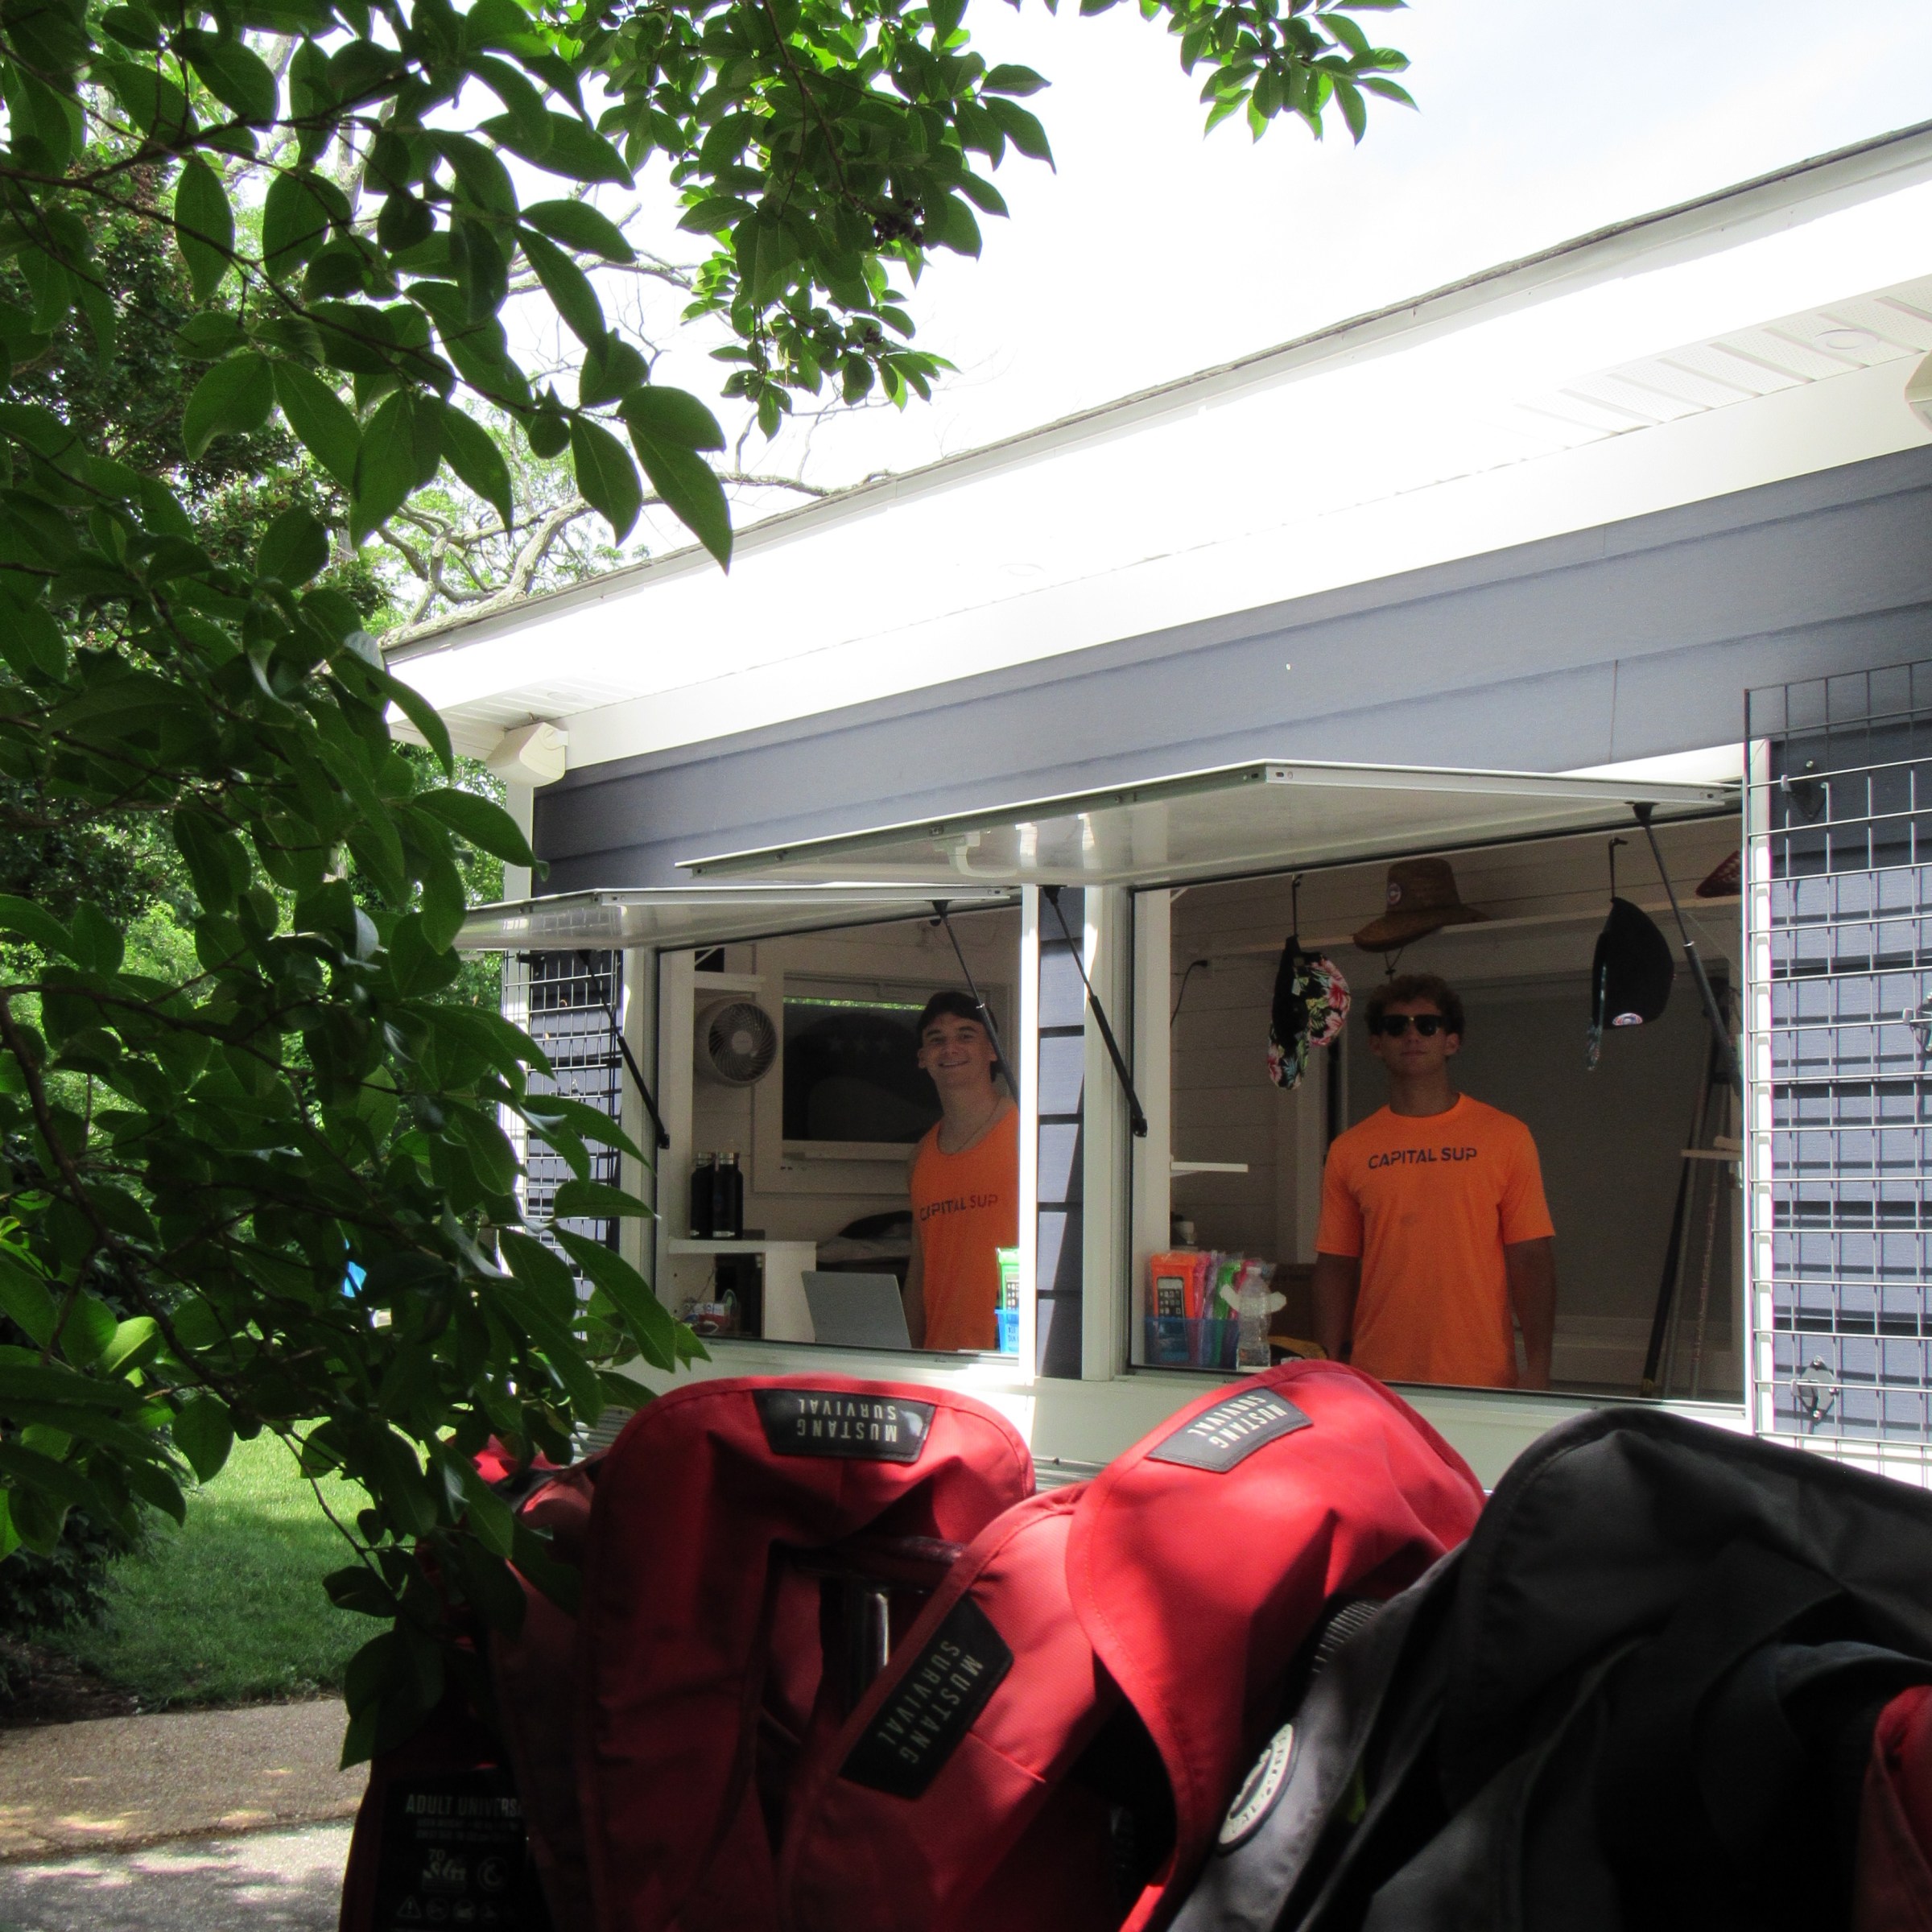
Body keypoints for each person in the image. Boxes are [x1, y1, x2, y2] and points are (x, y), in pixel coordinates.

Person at [1312, 973, 1557, 1390]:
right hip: (1378, 1378)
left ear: (1451, 1041)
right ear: (1376, 1044)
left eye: (1427, 1025)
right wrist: (1326, 1364)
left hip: (1482, 1377)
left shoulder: (1505, 1137)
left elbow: (1530, 1257)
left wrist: (1538, 1366)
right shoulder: (1349, 1150)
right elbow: (1335, 1265)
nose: (1412, 1035)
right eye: (1395, 1026)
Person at [903, 991, 1018, 1351]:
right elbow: (919, 1269)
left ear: (992, 1050)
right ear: (923, 1058)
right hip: (937, 1361)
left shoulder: (1030, 1132)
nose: (950, 1048)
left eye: (966, 1035)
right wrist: (906, 1356)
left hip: (1012, 1356)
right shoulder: (921, 1155)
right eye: (936, 1040)